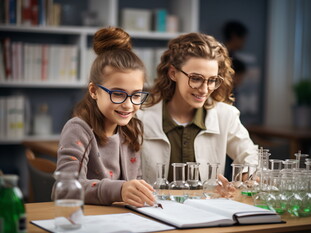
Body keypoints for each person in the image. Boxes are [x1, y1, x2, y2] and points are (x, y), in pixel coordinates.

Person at [137, 32, 258, 189]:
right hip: (152, 210)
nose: (204, 89)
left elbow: (250, 156)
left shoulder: (225, 115)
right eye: (195, 78)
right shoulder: (140, 117)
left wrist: (246, 176)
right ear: (173, 73)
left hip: (208, 211)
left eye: (212, 80)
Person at [53, 27, 155, 207]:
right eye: (117, 94)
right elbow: (63, 189)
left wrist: (138, 191)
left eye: (136, 95)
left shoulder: (132, 129)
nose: (129, 105)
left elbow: (134, 180)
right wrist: (120, 190)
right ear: (94, 91)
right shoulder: (78, 130)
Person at [222, 20, 248, 89]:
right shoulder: (221, 56)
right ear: (234, 36)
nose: (244, 43)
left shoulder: (231, 55)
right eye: (242, 39)